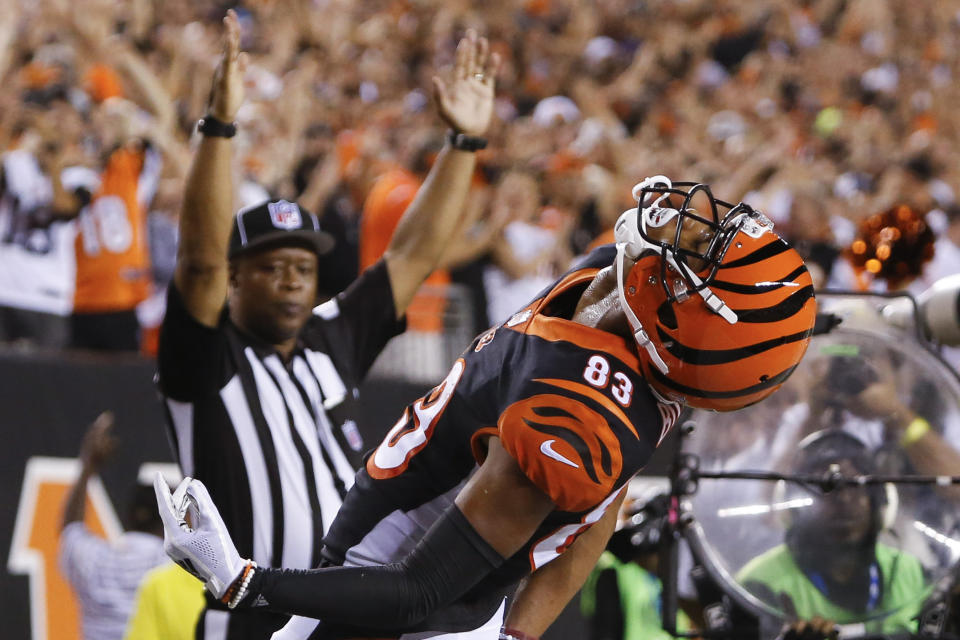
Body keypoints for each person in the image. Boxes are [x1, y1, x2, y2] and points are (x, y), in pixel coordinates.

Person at [156, 174, 818, 640]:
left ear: (681, 324)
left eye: (702, 260)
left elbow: (416, 592)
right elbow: (592, 529)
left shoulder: (580, 414)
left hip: (391, 606)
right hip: (459, 611)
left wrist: (244, 581)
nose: (691, 234)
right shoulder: (613, 293)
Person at [155, 11, 500, 640]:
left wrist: (463, 146)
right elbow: (199, 259)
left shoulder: (329, 333)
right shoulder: (205, 356)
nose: (292, 279)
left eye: (304, 266)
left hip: (343, 613)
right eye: (272, 267)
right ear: (234, 280)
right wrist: (220, 128)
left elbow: (413, 254)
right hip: (249, 620)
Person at [737, 429, 927, 638]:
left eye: (855, 485)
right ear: (792, 507)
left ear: (879, 501)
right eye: (824, 487)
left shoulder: (911, 572)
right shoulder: (758, 585)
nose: (844, 499)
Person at [59, 411, 170, 640]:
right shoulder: (169, 564)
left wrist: (88, 466)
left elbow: (71, 528)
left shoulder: (95, 561)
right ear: (166, 522)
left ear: (128, 518)